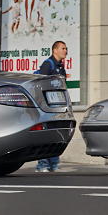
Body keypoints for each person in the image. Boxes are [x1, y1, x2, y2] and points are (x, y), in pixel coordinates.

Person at [36, 40, 68, 173]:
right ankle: (42, 164)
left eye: (66, 48)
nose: (65, 51)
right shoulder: (48, 65)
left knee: (56, 135)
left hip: (56, 107)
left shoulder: (61, 68)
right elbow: (41, 83)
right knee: (45, 135)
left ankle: (54, 164)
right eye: (63, 48)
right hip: (46, 107)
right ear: (55, 50)